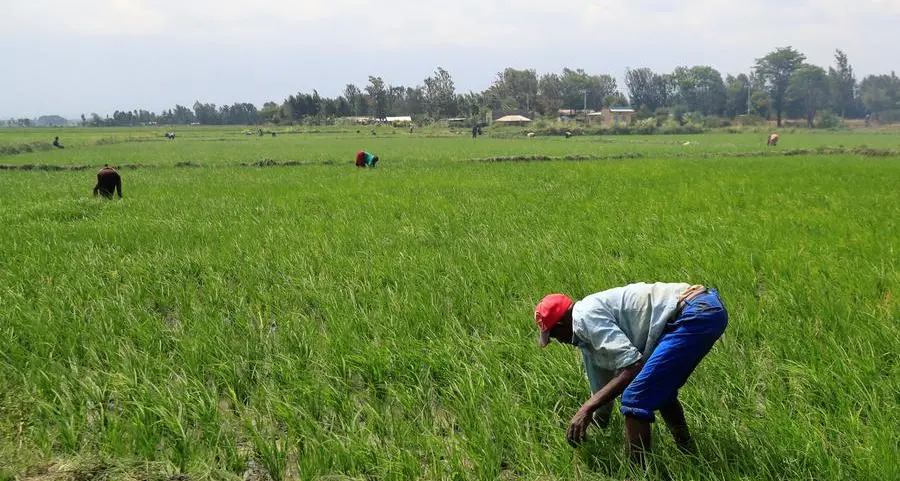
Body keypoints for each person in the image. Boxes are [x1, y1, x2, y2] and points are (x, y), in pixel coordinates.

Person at [534, 283, 728, 464]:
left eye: (554, 335)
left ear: (560, 325)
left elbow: (633, 366)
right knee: (659, 389)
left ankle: (636, 472)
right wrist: (591, 421)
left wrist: (586, 409)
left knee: (635, 397)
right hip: (702, 309)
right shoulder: (585, 332)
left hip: (695, 313)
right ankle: (689, 454)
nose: (558, 341)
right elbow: (600, 387)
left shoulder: (585, 319)